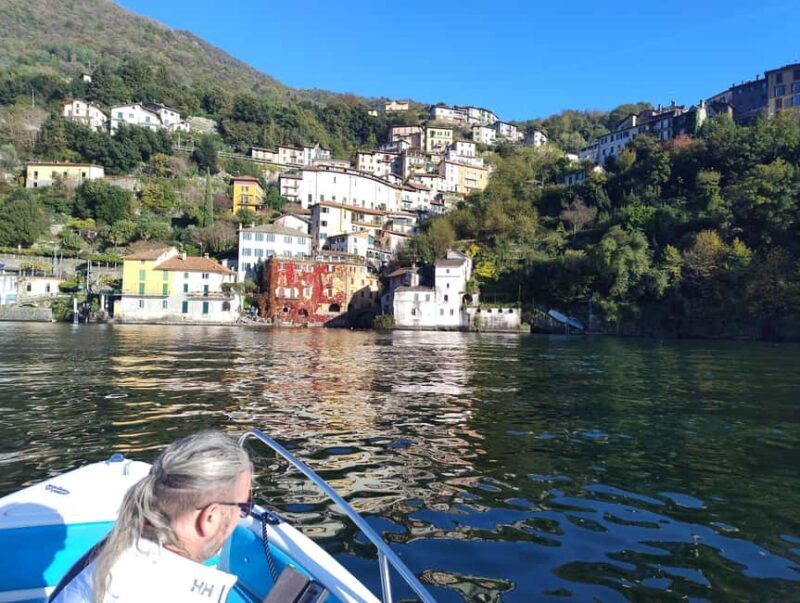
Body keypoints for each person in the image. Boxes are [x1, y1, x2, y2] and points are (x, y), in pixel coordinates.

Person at [51, 431, 253, 603]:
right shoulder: (170, 593)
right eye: (244, 506)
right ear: (210, 518)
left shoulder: (115, 548)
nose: (241, 517)